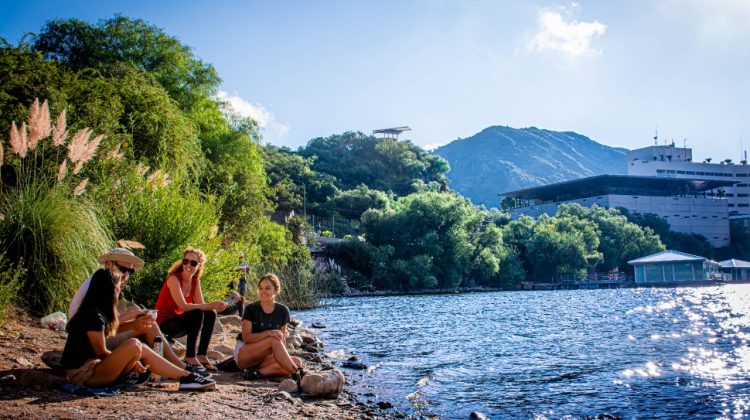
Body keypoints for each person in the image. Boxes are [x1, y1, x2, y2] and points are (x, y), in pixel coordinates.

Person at [61, 252, 216, 390]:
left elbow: (105, 331)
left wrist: (134, 325)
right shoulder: (93, 313)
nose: (122, 283)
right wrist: (133, 361)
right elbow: (101, 351)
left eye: (129, 271)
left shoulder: (96, 308)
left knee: (138, 345)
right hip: (84, 374)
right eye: (118, 284)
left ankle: (185, 375)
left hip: (93, 367)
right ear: (106, 289)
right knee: (135, 345)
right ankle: (184, 375)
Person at [155, 247, 227, 372]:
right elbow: (183, 306)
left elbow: (202, 305)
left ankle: (202, 355)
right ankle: (190, 356)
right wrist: (212, 304)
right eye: (185, 261)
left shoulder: (195, 280)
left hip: (177, 323)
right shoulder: (174, 279)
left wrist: (215, 306)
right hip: (163, 325)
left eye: (193, 263)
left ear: (199, 265)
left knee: (210, 314)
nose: (188, 265)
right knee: (197, 313)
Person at [234, 273, 304, 380]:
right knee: (273, 340)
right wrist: (269, 333)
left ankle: (257, 373)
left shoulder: (283, 311)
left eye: (267, 288)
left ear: (275, 291)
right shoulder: (251, 309)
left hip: (265, 358)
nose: (263, 291)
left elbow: (282, 341)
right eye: (261, 288)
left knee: (297, 362)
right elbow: (246, 338)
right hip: (246, 354)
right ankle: (297, 374)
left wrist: (280, 358)